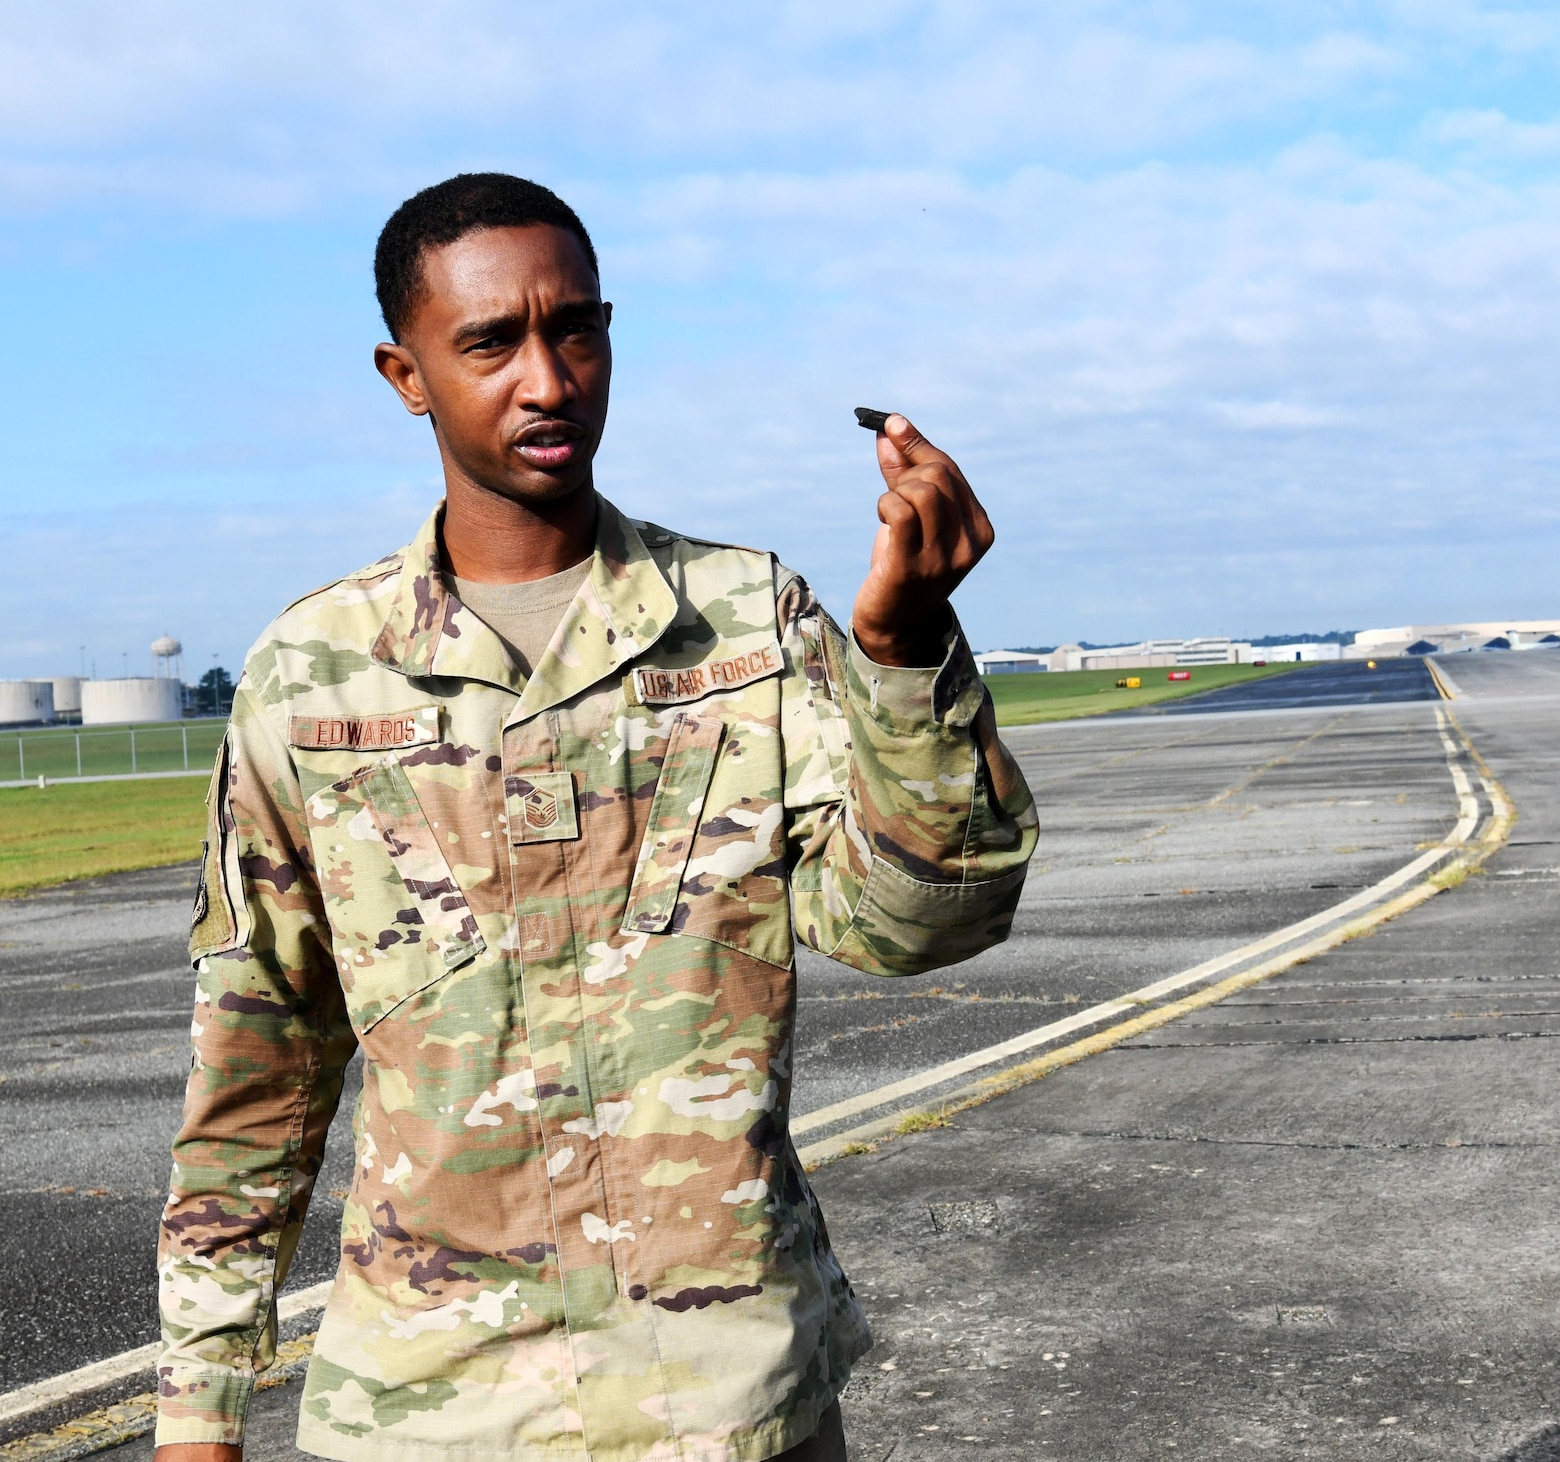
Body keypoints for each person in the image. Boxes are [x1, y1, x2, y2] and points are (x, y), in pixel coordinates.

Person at [155, 173, 1038, 1462]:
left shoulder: (746, 623)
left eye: (574, 329)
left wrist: (905, 656)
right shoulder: (314, 675)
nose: (548, 379)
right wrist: (198, 1417)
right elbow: (260, 1066)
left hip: (728, 1402)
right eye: (490, 343)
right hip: (430, 1413)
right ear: (407, 375)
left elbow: (921, 923)